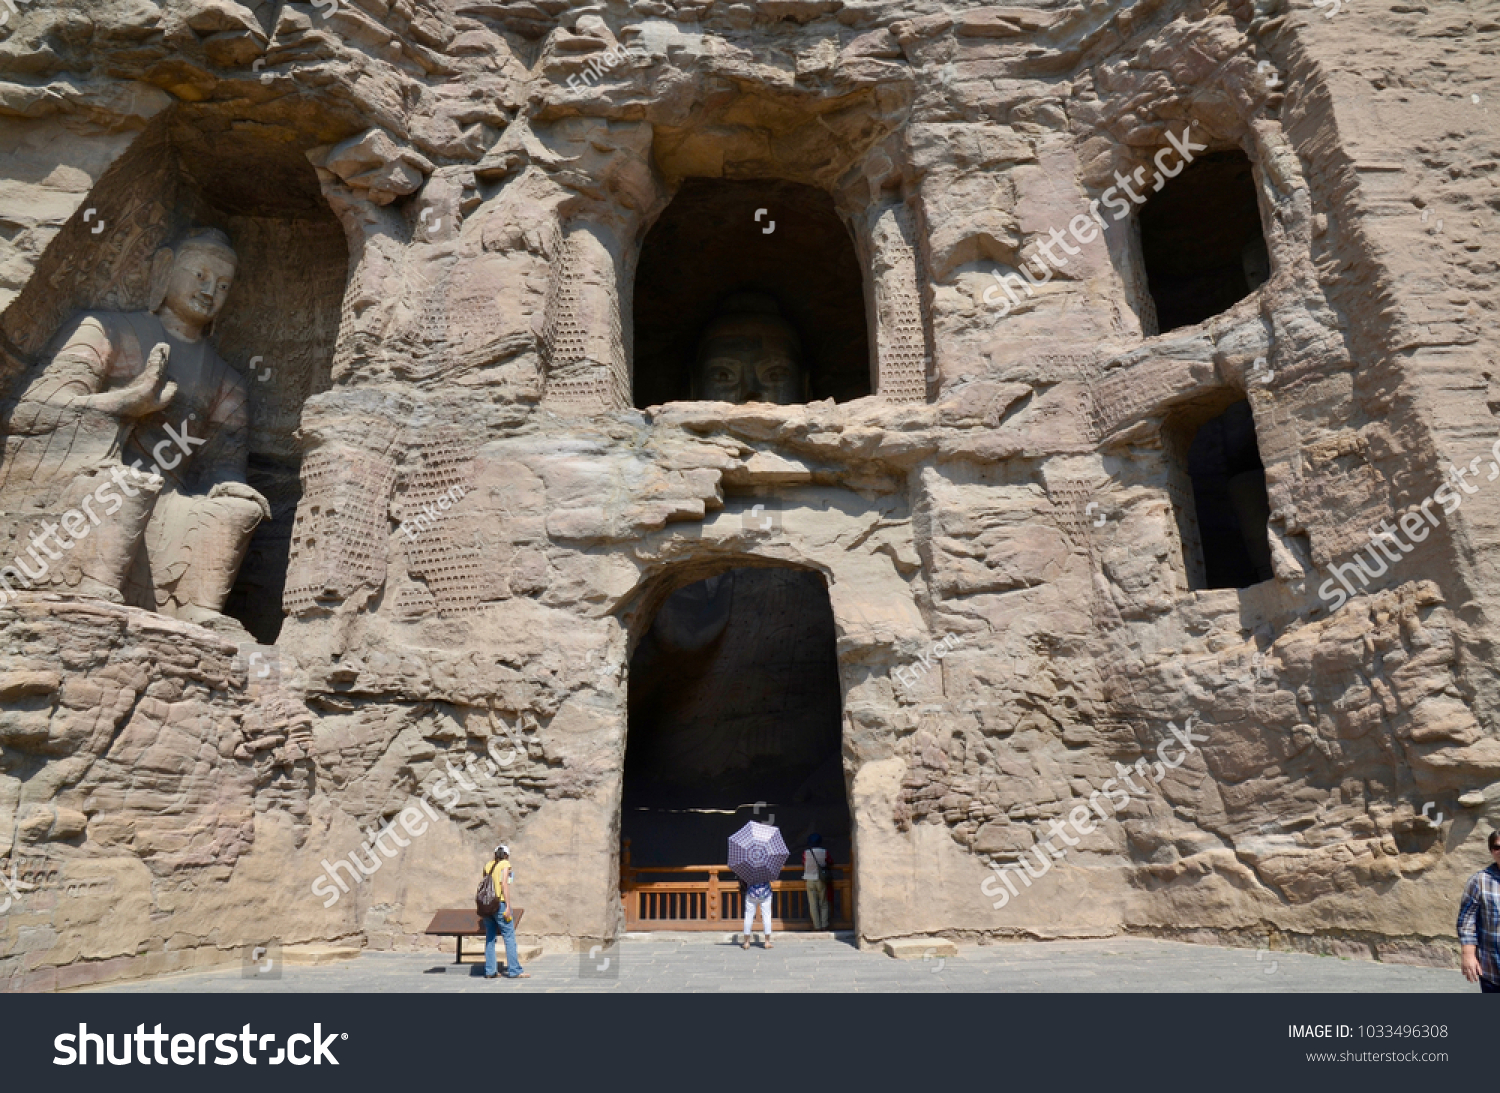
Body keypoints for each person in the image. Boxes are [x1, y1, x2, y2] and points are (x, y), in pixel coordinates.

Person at [1458, 830, 1500, 993]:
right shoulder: (1480, 881)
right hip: (1493, 969)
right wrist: (1468, 955)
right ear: (1491, 851)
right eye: (1497, 847)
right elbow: (1466, 922)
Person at [482, 843, 529, 980]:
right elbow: (504, 885)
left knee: (490, 938)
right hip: (499, 905)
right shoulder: (505, 865)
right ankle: (514, 970)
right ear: (506, 855)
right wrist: (508, 906)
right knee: (509, 937)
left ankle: (490, 971)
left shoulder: (488, 865)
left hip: (487, 906)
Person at [803, 833, 831, 931]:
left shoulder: (806, 852)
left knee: (813, 903)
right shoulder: (824, 852)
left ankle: (817, 926)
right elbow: (830, 861)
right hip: (821, 879)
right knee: (823, 902)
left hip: (809, 878)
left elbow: (803, 862)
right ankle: (825, 924)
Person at [740, 874, 773, 950]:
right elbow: (772, 879)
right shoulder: (766, 867)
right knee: (767, 916)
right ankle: (767, 941)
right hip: (765, 892)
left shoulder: (748, 868)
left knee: (748, 916)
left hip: (751, 892)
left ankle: (746, 942)